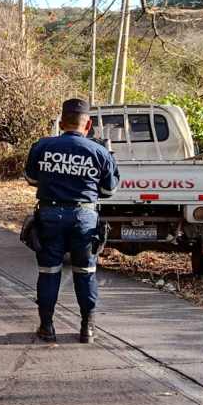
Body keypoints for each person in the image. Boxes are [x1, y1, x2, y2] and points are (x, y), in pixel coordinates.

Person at [24, 98, 119, 343]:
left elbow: (31, 179)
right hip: (84, 218)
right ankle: (87, 328)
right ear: (88, 126)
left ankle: (47, 327)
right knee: (85, 272)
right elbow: (109, 191)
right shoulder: (99, 152)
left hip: (50, 216)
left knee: (48, 272)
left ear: (61, 122)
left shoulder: (42, 146)